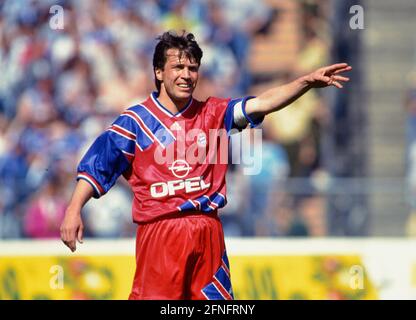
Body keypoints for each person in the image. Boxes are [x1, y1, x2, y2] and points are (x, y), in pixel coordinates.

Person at [60, 30, 351, 300]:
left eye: (193, 68)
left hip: (207, 232)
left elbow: (262, 103)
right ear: (159, 72)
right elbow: (96, 166)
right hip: (161, 234)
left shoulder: (214, 113)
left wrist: (305, 83)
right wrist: (73, 210)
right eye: (178, 68)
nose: (186, 75)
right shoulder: (135, 122)